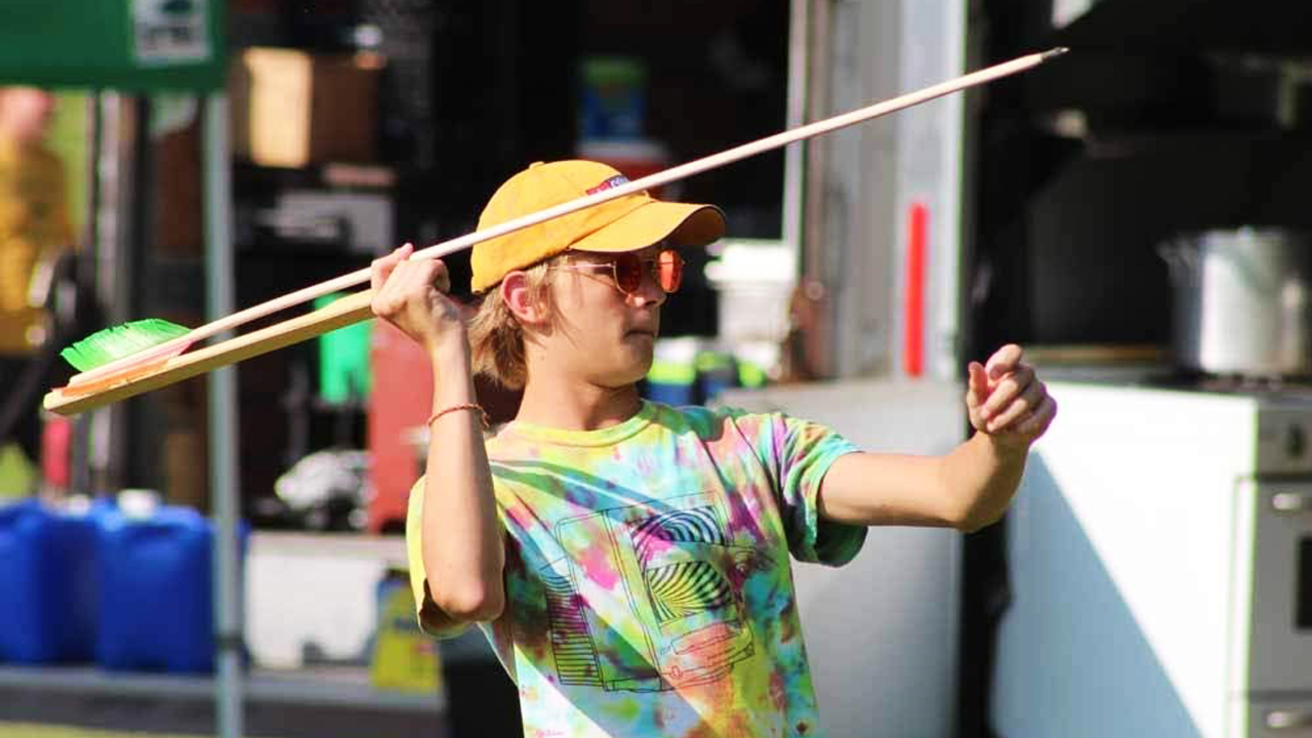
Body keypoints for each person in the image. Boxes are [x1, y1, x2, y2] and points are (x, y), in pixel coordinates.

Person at [369, 160, 1056, 738]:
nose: (649, 297)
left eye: (658, 269)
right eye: (620, 272)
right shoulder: (481, 482)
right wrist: (445, 351)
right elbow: (463, 592)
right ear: (525, 298)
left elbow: (957, 496)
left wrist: (1001, 440)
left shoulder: (743, 443)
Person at [0, 86, 72, 476]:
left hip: (35, 334)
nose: (50, 106)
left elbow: (64, 239)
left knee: (45, 452)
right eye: (38, 95)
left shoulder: (51, 167)